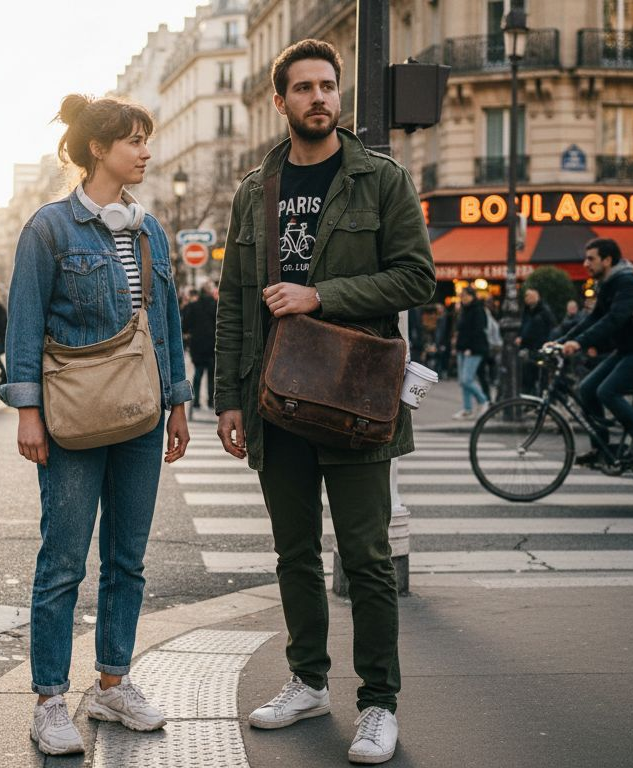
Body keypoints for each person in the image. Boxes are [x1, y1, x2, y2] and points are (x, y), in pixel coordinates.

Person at [212, 39, 435, 765]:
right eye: (303, 88)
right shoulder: (255, 189)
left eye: (328, 86)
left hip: (355, 393)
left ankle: (378, 704)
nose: (318, 98)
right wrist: (228, 400)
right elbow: (236, 301)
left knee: (367, 556)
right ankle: (307, 680)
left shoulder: (379, 179)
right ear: (279, 102)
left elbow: (415, 279)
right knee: (294, 553)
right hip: (274, 394)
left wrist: (322, 295)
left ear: (339, 95)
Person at [0, 93, 191, 756]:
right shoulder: (49, 228)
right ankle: (51, 699)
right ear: (99, 148)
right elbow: (22, 322)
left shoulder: (150, 229)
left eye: (146, 139)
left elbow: (164, 325)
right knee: (62, 560)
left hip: (140, 414)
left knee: (127, 559)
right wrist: (28, 410)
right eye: (134, 140)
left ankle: (113, 684)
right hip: (72, 416)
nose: (145, 150)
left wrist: (179, 402)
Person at [556, 238, 633, 469]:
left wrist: (578, 343)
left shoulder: (627, 283)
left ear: (607, 260)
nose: (585, 263)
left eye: (591, 258)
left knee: (607, 391)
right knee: (587, 389)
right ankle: (602, 449)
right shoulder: (607, 284)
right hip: (629, 349)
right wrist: (561, 341)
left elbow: (614, 319)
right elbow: (593, 318)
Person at [453, 287, 490, 418]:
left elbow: (478, 330)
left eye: (464, 295)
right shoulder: (464, 310)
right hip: (463, 348)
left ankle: (484, 400)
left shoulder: (478, 310)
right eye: (461, 296)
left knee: (467, 379)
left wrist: (470, 348)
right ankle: (467, 409)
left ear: (472, 296)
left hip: (473, 349)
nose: (462, 298)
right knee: (463, 381)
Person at [181, 279, 217, 412]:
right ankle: (211, 401)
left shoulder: (193, 306)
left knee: (198, 373)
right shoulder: (216, 305)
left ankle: (195, 401)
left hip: (197, 345)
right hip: (213, 344)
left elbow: (185, 326)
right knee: (212, 375)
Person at [516, 287, 556, 393]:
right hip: (530, 347)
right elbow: (524, 326)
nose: (526, 298)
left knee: (541, 375)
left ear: (536, 296)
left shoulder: (543, 311)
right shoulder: (527, 310)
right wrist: (521, 337)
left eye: (528, 295)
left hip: (539, 347)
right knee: (528, 375)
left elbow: (548, 328)